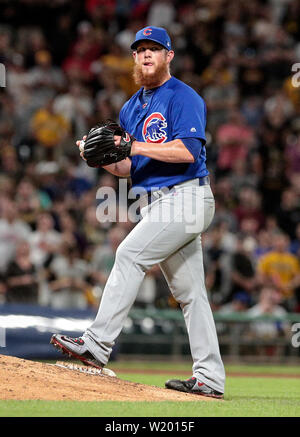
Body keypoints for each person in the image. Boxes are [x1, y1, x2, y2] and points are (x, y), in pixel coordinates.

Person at [51, 26, 225, 399]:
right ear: (133, 58)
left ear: (168, 56)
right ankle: (210, 377)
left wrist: (135, 145)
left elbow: (187, 152)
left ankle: (97, 343)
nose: (147, 55)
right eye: (140, 50)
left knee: (128, 254)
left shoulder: (183, 96)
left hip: (188, 197)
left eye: (155, 49)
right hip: (157, 202)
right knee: (192, 294)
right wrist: (101, 161)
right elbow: (132, 166)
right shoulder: (130, 108)